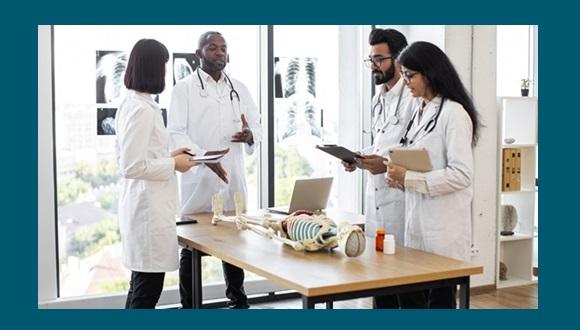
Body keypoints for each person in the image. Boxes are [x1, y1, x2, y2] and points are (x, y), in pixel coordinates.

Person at [168, 31, 262, 309]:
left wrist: (249, 135)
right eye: (212, 48)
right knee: (192, 247)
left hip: (232, 175)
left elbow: (256, 125)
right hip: (199, 177)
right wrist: (205, 158)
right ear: (199, 54)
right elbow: (176, 132)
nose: (220, 52)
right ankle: (189, 307)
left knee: (234, 243)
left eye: (223, 48)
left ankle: (238, 300)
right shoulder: (183, 89)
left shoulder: (240, 88)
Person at [385, 41, 481, 308]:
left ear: (429, 73)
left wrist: (409, 178)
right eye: (403, 75)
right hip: (416, 226)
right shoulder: (420, 110)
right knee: (411, 299)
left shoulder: (454, 113)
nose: (405, 82)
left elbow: (462, 174)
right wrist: (398, 178)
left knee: (440, 304)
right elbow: (422, 164)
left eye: (410, 75)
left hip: (443, 232)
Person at [115, 39, 198, 309]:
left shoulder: (135, 103)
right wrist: (174, 165)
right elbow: (131, 166)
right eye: (164, 65)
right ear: (154, 68)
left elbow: (142, 156)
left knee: (141, 286)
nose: (166, 71)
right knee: (147, 290)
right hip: (147, 212)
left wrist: (171, 157)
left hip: (145, 207)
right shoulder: (141, 110)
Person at [341, 28, 413, 309]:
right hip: (377, 200)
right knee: (380, 283)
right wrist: (357, 157)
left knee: (406, 288)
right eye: (370, 60)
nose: (374, 66)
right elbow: (380, 143)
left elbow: (414, 151)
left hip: (401, 200)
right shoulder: (377, 100)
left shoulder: (412, 100)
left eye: (379, 59)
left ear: (399, 58)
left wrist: (382, 163)